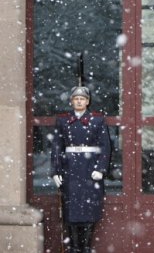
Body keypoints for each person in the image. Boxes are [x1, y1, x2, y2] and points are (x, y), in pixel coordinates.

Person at [51, 86, 111, 253]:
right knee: (70, 211)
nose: (79, 101)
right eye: (76, 98)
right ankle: (74, 248)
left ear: (87, 101)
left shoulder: (97, 120)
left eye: (82, 98)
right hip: (69, 169)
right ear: (71, 101)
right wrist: (55, 171)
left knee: (89, 210)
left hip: (90, 169)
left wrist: (100, 168)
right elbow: (57, 147)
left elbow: (105, 146)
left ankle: (85, 247)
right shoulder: (63, 120)